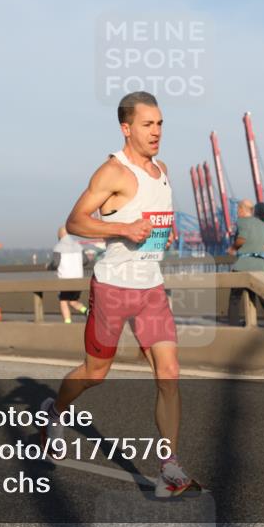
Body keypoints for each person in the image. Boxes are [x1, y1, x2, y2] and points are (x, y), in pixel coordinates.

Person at [40, 91, 200, 499]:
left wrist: (164, 233)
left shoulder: (162, 169)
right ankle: (56, 411)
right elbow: (75, 221)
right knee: (95, 374)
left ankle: (170, 469)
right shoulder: (113, 172)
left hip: (150, 288)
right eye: (148, 124)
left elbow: (156, 219)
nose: (156, 132)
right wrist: (123, 230)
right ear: (126, 128)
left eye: (160, 123)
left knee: (169, 373)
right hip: (112, 286)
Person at [227, 199, 264, 330]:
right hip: (261, 266)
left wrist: (233, 248)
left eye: (238, 210)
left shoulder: (241, 222)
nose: (237, 213)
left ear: (243, 209)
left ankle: (233, 328)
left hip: (243, 265)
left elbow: (241, 239)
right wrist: (256, 246)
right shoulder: (262, 224)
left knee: (235, 298)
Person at [49, 227, 89, 323]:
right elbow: (85, 261)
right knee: (73, 301)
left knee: (63, 301)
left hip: (65, 280)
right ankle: (87, 311)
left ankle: (67, 322)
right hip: (78, 279)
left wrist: (48, 267)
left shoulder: (59, 247)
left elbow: (55, 263)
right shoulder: (78, 246)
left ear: (60, 235)